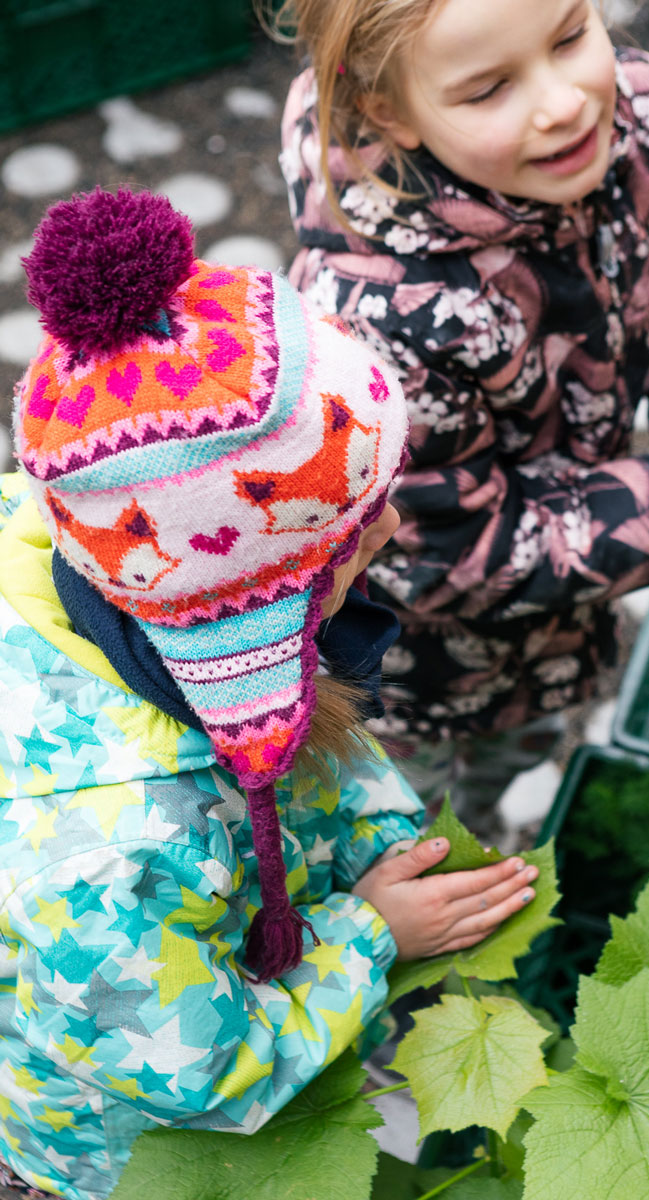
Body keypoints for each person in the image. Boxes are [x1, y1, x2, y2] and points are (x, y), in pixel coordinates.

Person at [0, 187, 538, 1200]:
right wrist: (368, 941)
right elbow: (192, 1070)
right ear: (240, 610)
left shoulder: (86, 540)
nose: (387, 533)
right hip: (123, 1147)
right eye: (354, 533)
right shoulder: (109, 853)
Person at [260, 0, 649, 815]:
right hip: (413, 674)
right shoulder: (378, 317)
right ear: (385, 109)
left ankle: (500, 814)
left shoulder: (628, 116)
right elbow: (447, 551)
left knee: (520, 756)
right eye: (488, 89)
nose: (563, 100)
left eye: (571, 35)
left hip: (570, 607)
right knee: (413, 818)